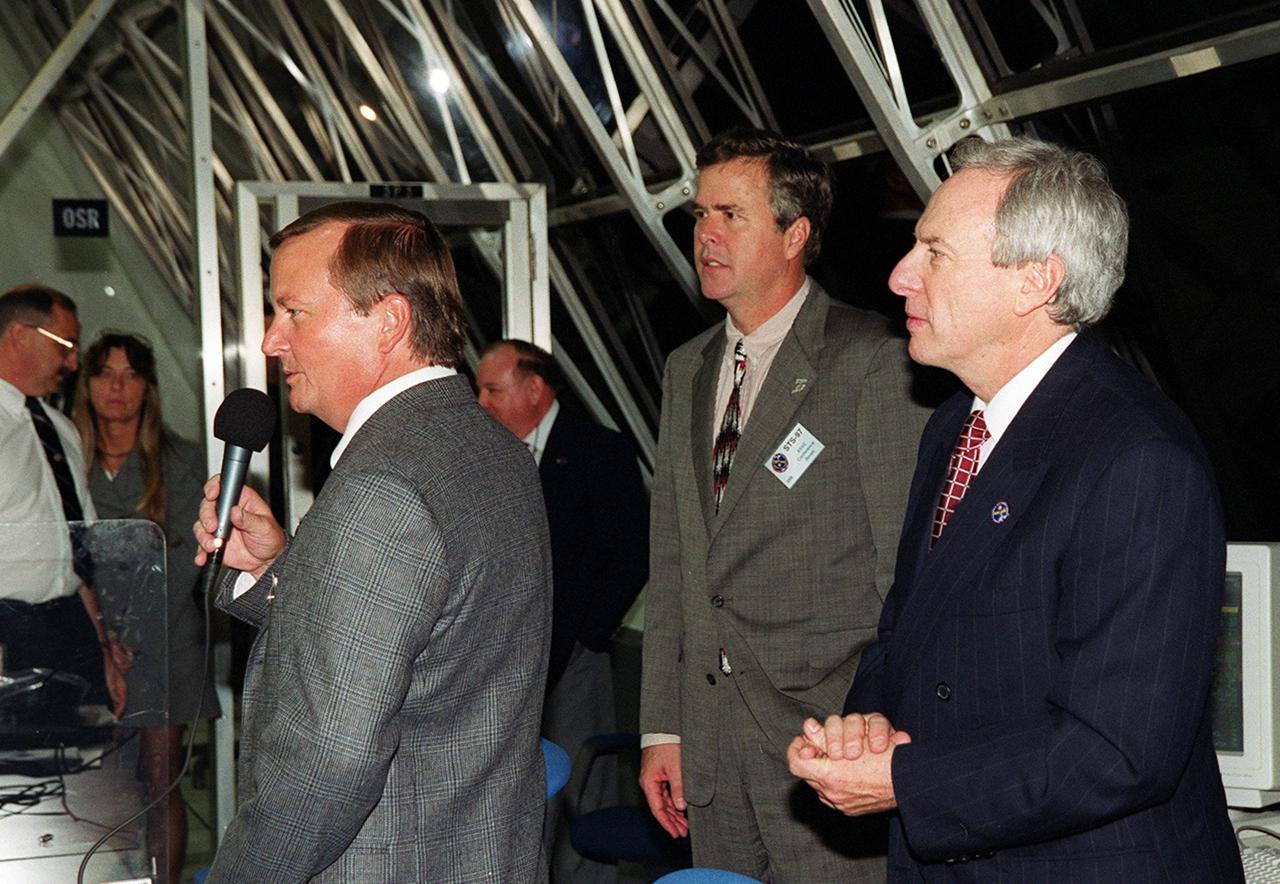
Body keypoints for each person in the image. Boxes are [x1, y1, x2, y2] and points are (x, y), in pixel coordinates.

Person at [788, 136, 1244, 881]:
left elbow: (1118, 749)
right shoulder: (955, 426)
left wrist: (903, 782)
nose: (900, 275)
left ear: (1034, 282)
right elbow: (911, 627)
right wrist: (866, 725)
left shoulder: (1138, 461)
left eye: (934, 252)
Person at [192, 201, 552, 882]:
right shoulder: (492, 449)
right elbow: (431, 650)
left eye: (292, 312)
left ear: (388, 322)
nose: (271, 341)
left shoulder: (382, 486)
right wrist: (278, 567)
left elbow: (327, 763)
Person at [638, 128, 930, 881]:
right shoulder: (687, 369)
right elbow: (675, 561)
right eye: (700, 214)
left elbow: (908, 575)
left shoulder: (870, 360)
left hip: (827, 743)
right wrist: (662, 729)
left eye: (730, 215)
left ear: (795, 233)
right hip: (710, 746)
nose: (705, 234)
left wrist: (882, 735)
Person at [477, 338, 649, 882]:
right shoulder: (488, 457)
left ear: (535, 388)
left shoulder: (600, 451)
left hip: (572, 654)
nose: (481, 402)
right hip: (502, 652)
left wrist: (586, 634)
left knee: (577, 786)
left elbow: (631, 552)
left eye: (492, 389)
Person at [73, 332, 219, 883]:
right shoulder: (69, 455)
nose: (117, 387)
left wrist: (128, 631)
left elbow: (187, 561)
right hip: (90, 637)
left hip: (163, 639)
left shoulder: (179, 461)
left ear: (148, 388)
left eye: (131, 374)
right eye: (105, 373)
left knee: (159, 782)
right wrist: (102, 632)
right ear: (85, 384)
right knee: (98, 785)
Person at [0, 285, 126, 717]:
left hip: (69, 629)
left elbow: (80, 550)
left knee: (78, 772)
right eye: (66, 345)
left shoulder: (61, 429)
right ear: (18, 336)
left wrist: (103, 646)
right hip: (7, 632)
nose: (73, 362)